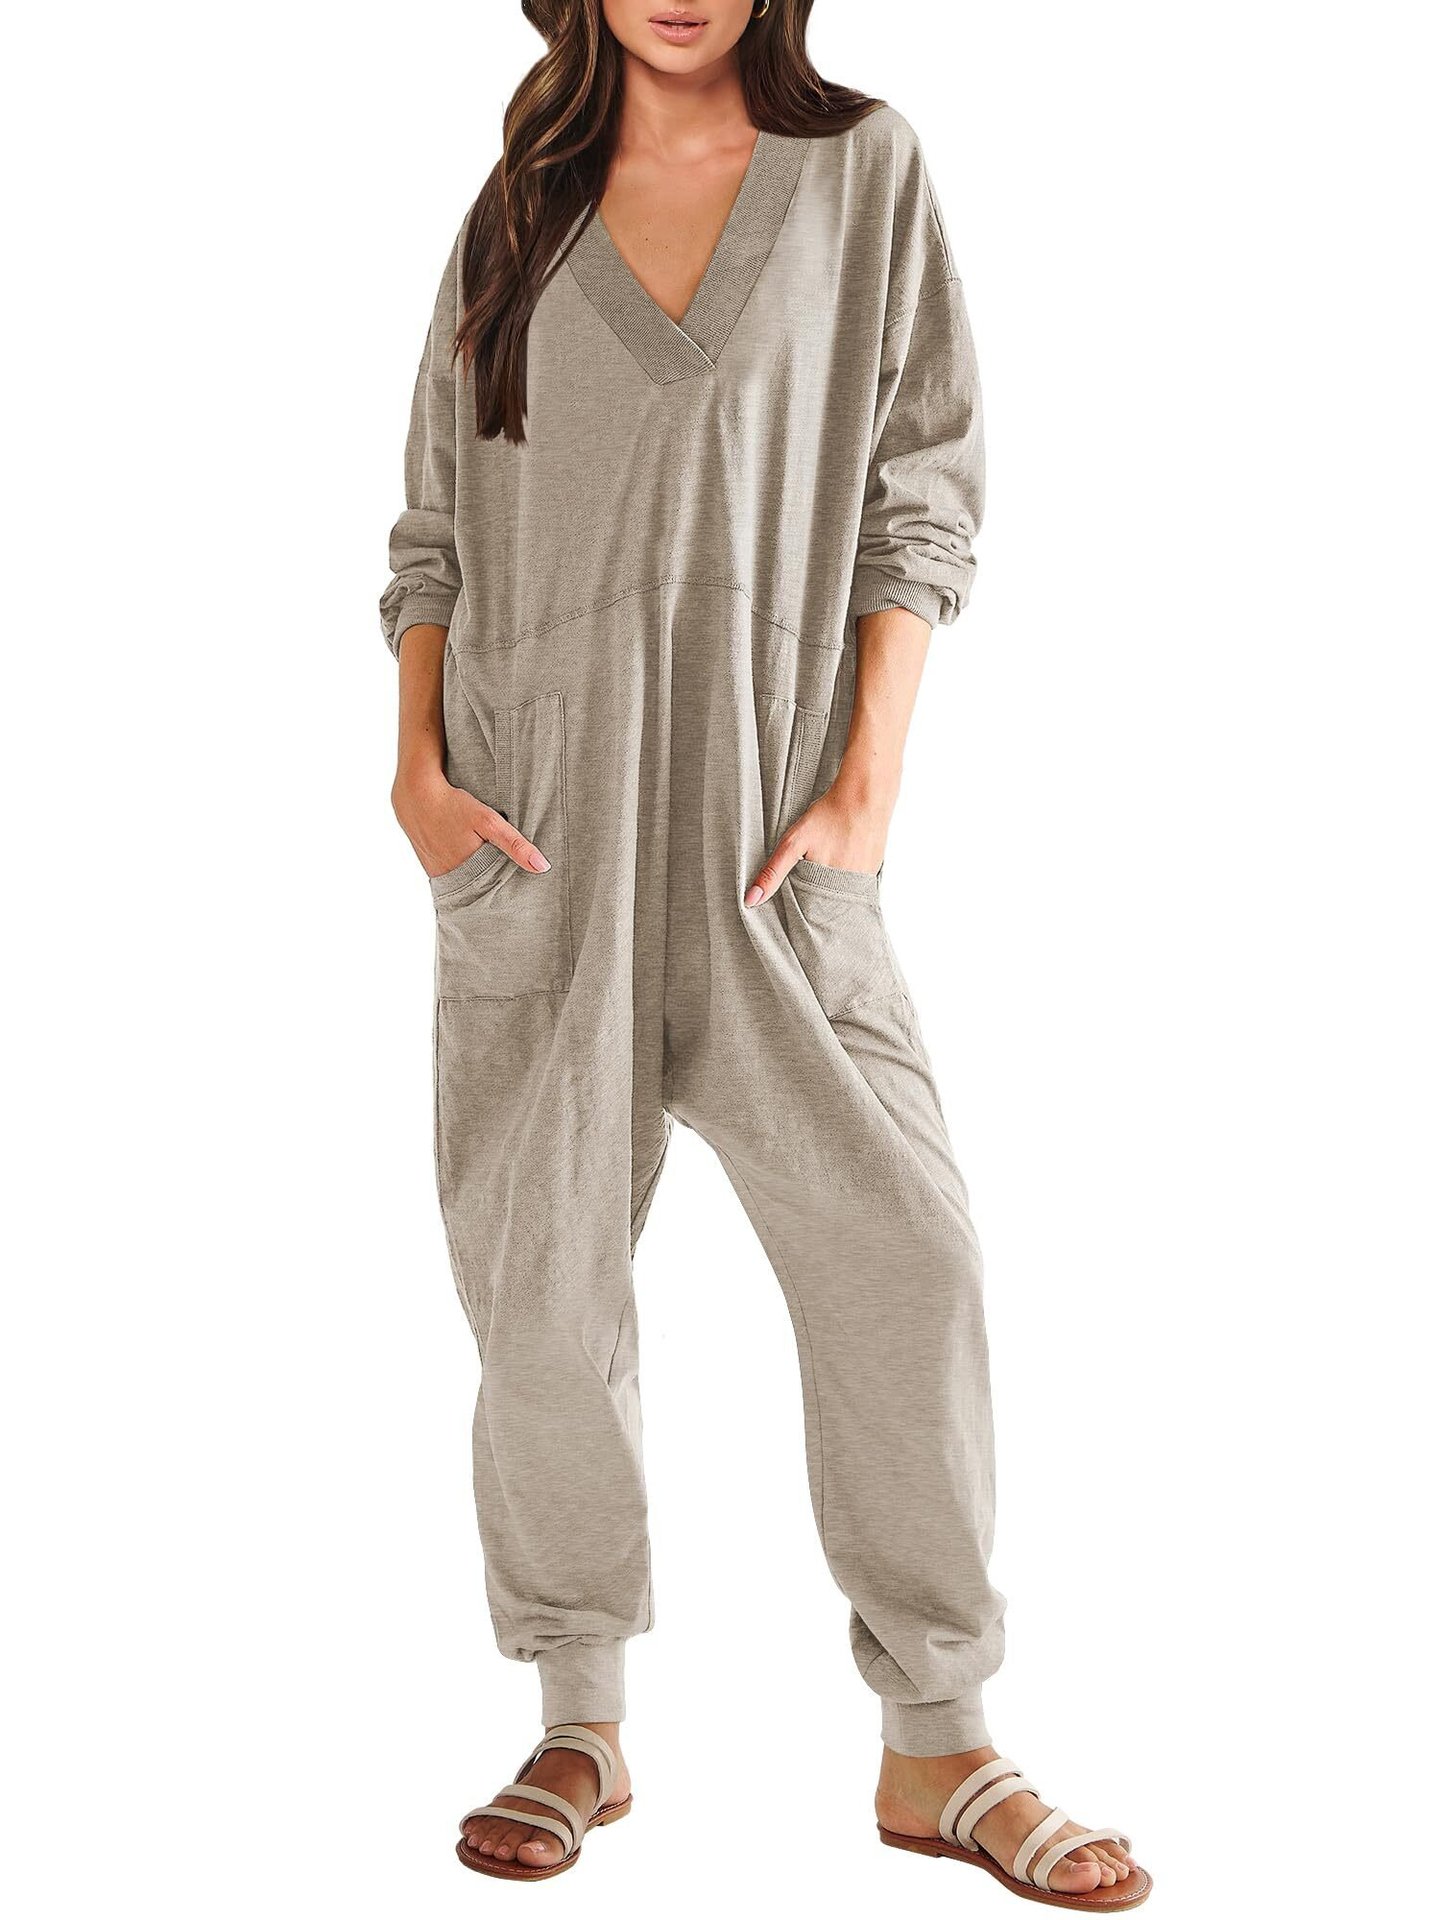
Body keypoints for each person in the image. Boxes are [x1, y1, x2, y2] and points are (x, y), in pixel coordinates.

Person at [380, 1, 1148, 1903]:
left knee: (907, 1252)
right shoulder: (519, 204)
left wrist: (868, 781)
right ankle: (577, 1716)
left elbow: (922, 485)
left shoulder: (862, 173)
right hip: (536, 829)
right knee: (544, 1289)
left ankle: (939, 1741)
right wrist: (417, 776)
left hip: (769, 837)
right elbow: (433, 528)